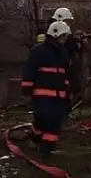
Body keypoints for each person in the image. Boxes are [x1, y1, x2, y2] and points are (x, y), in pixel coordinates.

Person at [21, 21, 76, 159]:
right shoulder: (38, 51)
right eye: (62, 36)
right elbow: (29, 70)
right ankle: (35, 138)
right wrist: (27, 88)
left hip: (59, 96)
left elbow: (66, 74)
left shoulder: (63, 53)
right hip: (42, 95)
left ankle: (46, 150)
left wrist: (68, 93)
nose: (64, 40)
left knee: (55, 122)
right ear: (54, 34)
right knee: (43, 118)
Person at [50, 7, 83, 100]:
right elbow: (71, 47)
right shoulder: (62, 34)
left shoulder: (51, 31)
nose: (69, 24)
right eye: (68, 21)